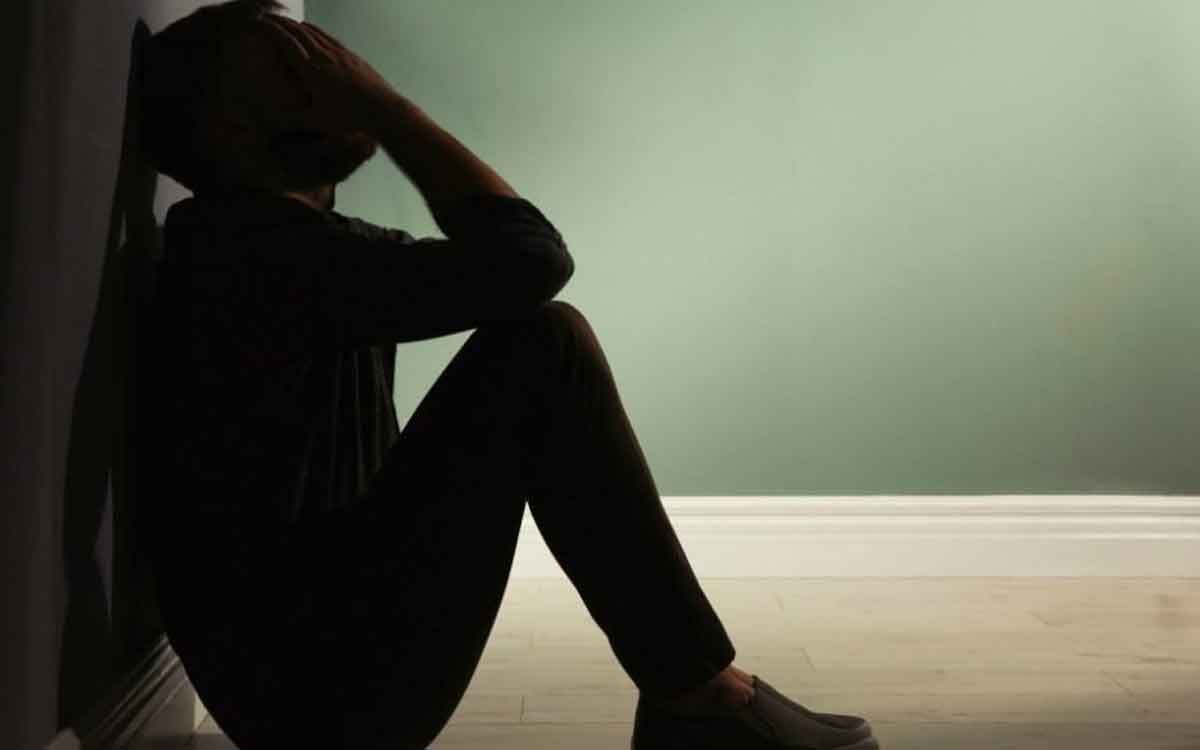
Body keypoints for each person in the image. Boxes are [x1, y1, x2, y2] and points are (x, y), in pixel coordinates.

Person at [135, 1, 879, 748]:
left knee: (542, 339)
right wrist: (388, 110)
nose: (339, 75)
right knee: (547, 343)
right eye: (298, 70)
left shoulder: (278, 249)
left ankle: (696, 695)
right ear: (230, 131)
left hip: (315, 667)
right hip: (319, 693)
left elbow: (512, 258)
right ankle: (700, 697)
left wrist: (372, 107)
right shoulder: (252, 261)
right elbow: (530, 259)